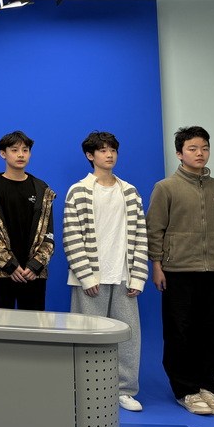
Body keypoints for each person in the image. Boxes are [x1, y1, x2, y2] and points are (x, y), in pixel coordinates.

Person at [147, 126, 214, 416]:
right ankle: (185, 390)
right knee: (180, 331)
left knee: (213, 330)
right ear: (179, 153)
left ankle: (209, 387)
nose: (200, 153)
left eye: (204, 148)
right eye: (193, 148)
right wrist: (157, 265)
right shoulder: (166, 188)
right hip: (178, 269)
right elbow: (154, 229)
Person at [63, 131, 148, 412]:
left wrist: (138, 276)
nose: (109, 154)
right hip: (91, 277)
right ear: (90, 155)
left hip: (124, 275)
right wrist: (86, 275)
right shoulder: (78, 191)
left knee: (128, 336)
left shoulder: (130, 191)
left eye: (113, 149)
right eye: (102, 150)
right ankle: (85, 388)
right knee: (87, 335)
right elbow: (71, 235)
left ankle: (124, 390)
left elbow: (141, 235)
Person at [0, 131, 55, 311]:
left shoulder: (42, 190)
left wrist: (35, 265)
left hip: (34, 274)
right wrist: (10, 265)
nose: (21, 155)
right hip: (1, 273)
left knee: (34, 325)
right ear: (3, 153)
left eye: (25, 150)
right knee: (0, 326)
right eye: (14, 150)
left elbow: (48, 235)